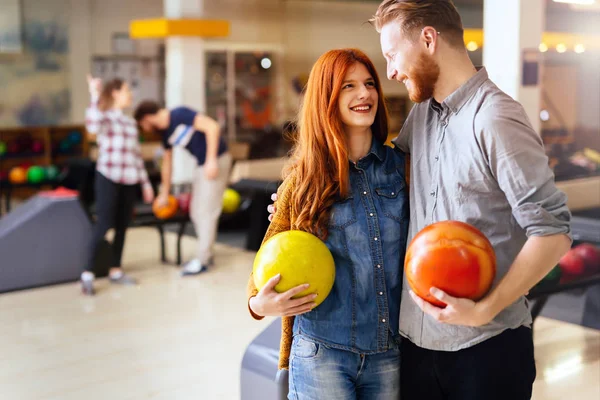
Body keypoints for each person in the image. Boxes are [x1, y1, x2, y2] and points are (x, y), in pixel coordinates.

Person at [371, 1, 572, 399]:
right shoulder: (422, 114)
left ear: (428, 39)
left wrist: (485, 308)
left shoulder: (496, 118)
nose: (391, 71)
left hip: (485, 349)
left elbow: (553, 231)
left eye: (393, 55)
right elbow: (383, 180)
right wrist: (301, 198)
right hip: (416, 342)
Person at [248, 48, 410, 399]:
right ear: (326, 97)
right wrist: (260, 305)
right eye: (348, 86)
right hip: (321, 355)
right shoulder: (303, 181)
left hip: (391, 354)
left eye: (369, 84)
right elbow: (263, 269)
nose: (364, 94)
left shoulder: (402, 169)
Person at [134, 101, 232, 276]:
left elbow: (212, 127)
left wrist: (211, 160)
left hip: (216, 160)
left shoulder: (179, 115)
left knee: (206, 211)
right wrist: (164, 194)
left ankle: (202, 260)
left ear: (147, 118)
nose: (145, 129)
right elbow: (167, 164)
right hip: (202, 164)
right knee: (196, 211)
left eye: (142, 124)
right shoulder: (166, 134)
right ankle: (206, 254)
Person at [82, 75, 155, 296]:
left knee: (123, 225)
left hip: (129, 179)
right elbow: (92, 125)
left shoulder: (130, 123)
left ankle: (116, 270)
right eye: (126, 91)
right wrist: (95, 93)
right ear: (115, 93)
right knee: (103, 224)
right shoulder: (105, 117)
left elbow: (136, 156)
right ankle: (87, 273)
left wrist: (146, 184)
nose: (130, 95)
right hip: (108, 177)